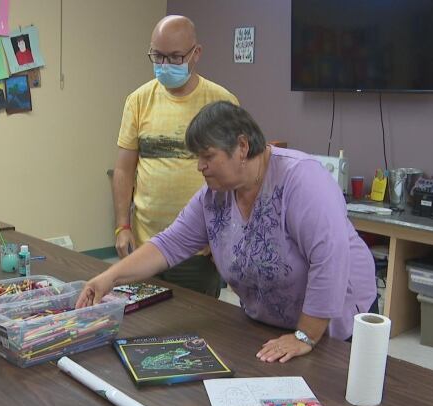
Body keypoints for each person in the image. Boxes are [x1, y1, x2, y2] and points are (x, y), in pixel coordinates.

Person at [78, 101, 378, 363]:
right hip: (273, 322)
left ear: (243, 147)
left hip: (332, 321)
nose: (200, 167)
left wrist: (305, 336)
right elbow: (168, 245)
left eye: (207, 157)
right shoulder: (214, 195)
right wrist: (110, 276)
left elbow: (330, 259)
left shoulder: (302, 179)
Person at [112, 15, 238, 298]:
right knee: (143, 327)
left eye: (175, 56)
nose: (165, 64)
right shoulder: (139, 101)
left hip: (198, 251)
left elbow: (237, 178)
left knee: (195, 331)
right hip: (145, 246)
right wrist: (122, 226)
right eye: (158, 55)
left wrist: (224, 236)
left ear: (196, 54)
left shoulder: (221, 102)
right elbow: (123, 170)